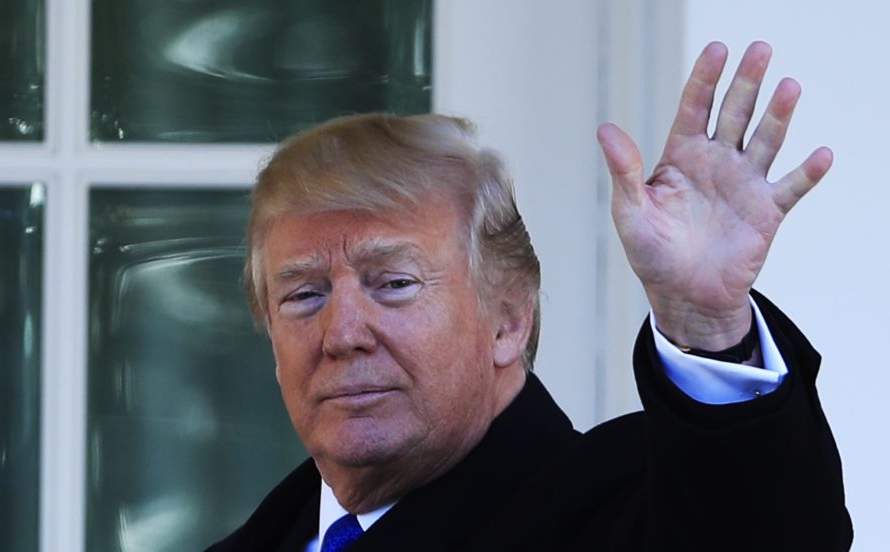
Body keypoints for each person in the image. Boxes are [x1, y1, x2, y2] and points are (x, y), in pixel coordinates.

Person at [206, 41, 852, 551]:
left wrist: (704, 321)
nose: (342, 332)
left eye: (395, 284)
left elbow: (758, 531)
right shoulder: (261, 537)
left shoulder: (622, 508)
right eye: (303, 295)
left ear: (509, 321)